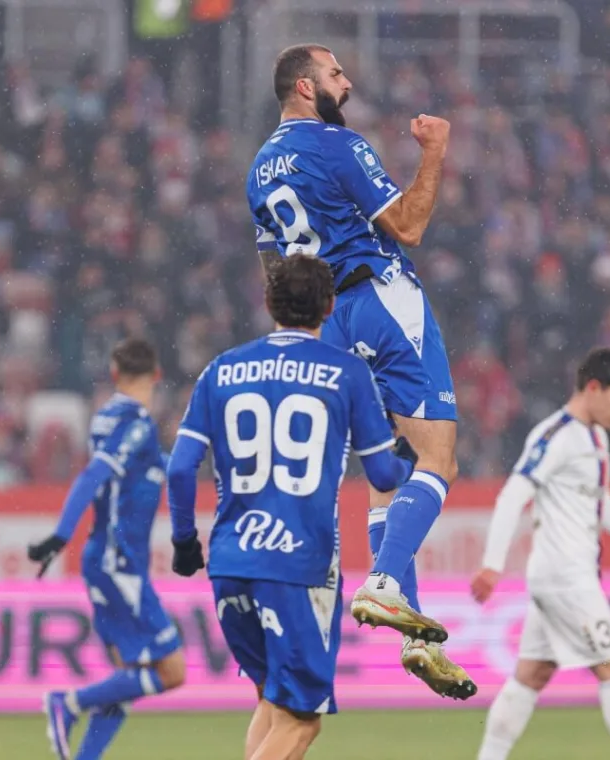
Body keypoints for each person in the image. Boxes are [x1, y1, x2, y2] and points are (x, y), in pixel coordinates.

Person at [246, 42, 475, 700]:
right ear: (303, 86)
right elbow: (408, 224)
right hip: (378, 296)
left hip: (324, 323)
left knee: (389, 470)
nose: (346, 84)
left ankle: (416, 636)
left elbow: (275, 274)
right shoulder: (336, 145)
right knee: (438, 458)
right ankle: (383, 583)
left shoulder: (259, 171)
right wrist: (434, 152)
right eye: (335, 73)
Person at [166, 254, 420, 760]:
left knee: (272, 702)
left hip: (231, 563)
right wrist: (407, 460)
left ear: (268, 303)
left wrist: (183, 542)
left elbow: (179, 469)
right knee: (302, 722)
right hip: (299, 565)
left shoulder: (222, 370)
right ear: (329, 307)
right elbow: (383, 475)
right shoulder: (346, 372)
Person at [470, 348, 610, 760]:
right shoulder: (556, 436)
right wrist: (492, 565)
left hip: (562, 577)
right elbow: (513, 495)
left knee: (532, 674)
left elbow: (599, 501)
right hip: (565, 577)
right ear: (593, 388)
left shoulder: (595, 436)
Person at [27, 338, 185, 760]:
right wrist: (61, 534)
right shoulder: (137, 422)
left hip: (105, 558)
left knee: (127, 675)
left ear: (114, 374)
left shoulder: (105, 418)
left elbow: (155, 466)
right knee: (172, 671)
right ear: (157, 375)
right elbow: (95, 474)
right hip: (120, 562)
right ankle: (68, 702)